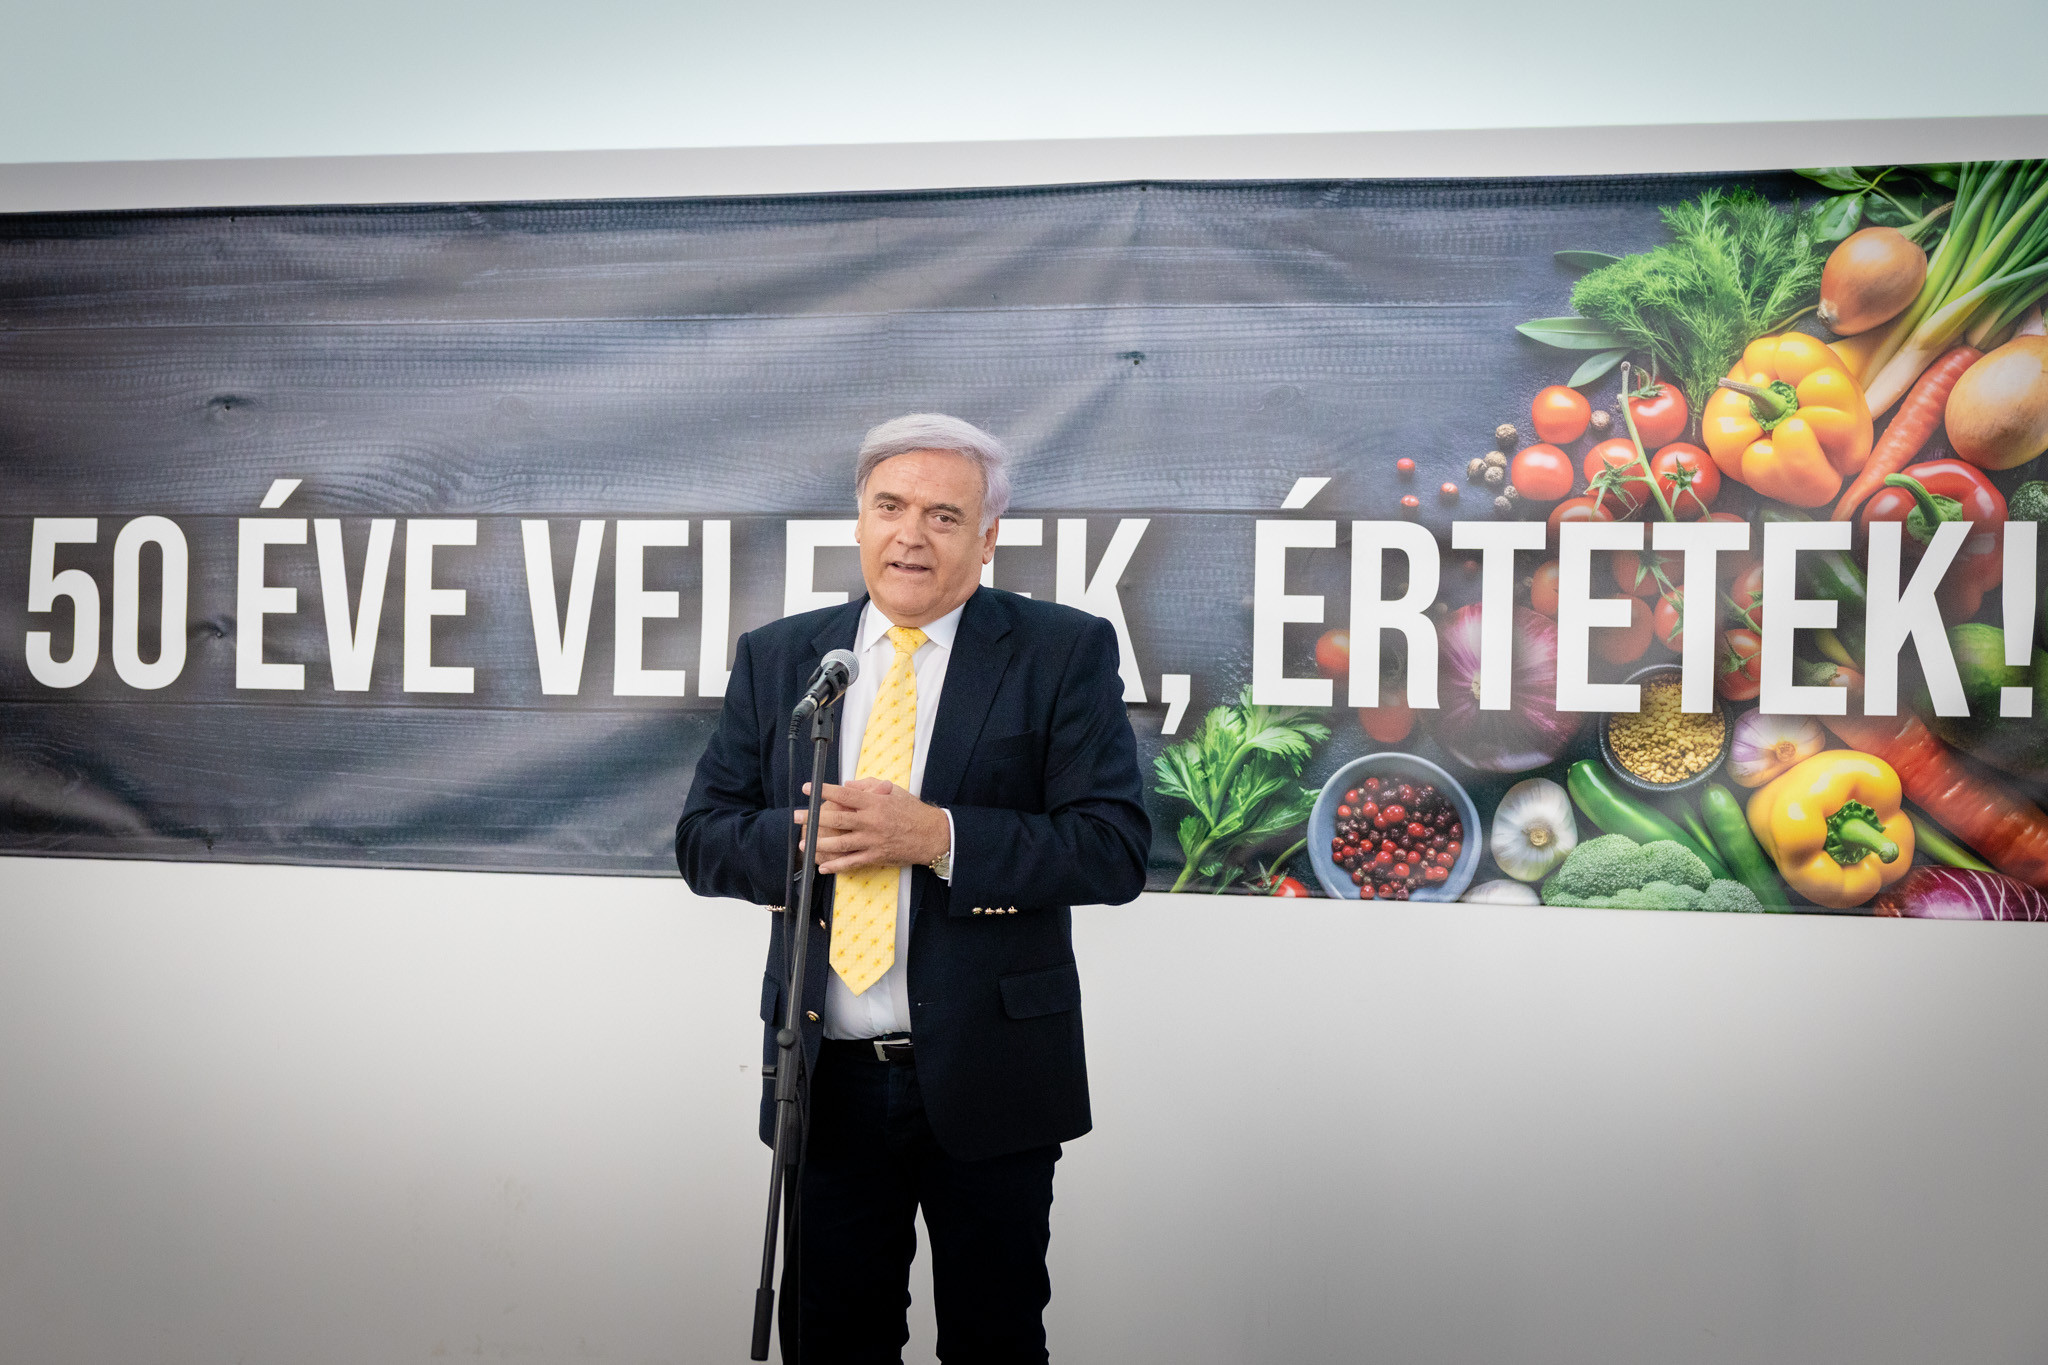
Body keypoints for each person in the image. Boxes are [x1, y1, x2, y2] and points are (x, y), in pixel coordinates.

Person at [676, 413, 1151, 1363]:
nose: (910, 535)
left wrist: (938, 836)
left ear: (988, 537)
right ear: (858, 520)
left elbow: (1112, 847)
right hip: (827, 1081)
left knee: (994, 1341)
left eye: (944, 515)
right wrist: (803, 840)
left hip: (993, 1074)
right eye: (890, 507)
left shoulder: (1061, 650)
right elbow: (703, 839)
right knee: (831, 1342)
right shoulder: (786, 658)